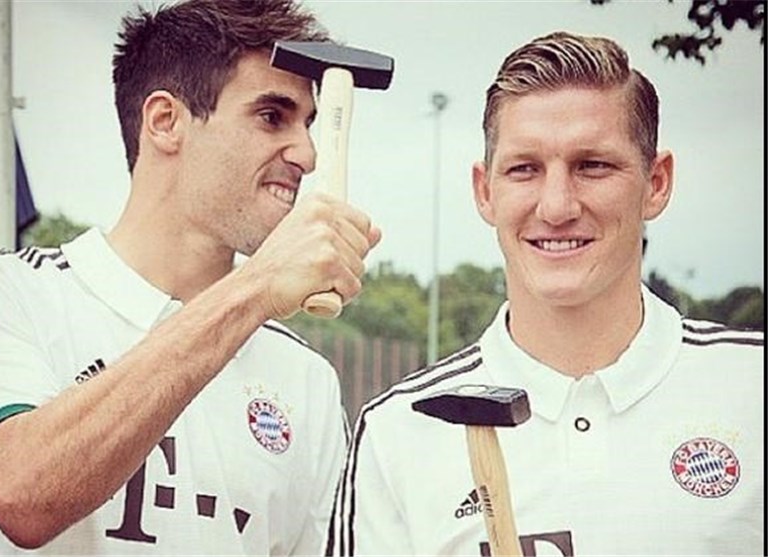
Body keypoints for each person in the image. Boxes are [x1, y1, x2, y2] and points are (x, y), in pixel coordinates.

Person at [326, 31, 763, 556]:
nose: (556, 207)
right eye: (524, 169)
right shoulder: (399, 432)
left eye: (592, 165)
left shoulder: (752, 388)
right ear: (485, 191)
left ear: (657, 183)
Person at [0, 0, 381, 554]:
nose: (307, 155)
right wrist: (255, 288)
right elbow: (21, 492)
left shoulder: (308, 378)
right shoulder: (5, 288)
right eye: (271, 116)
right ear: (166, 121)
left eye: (307, 123)